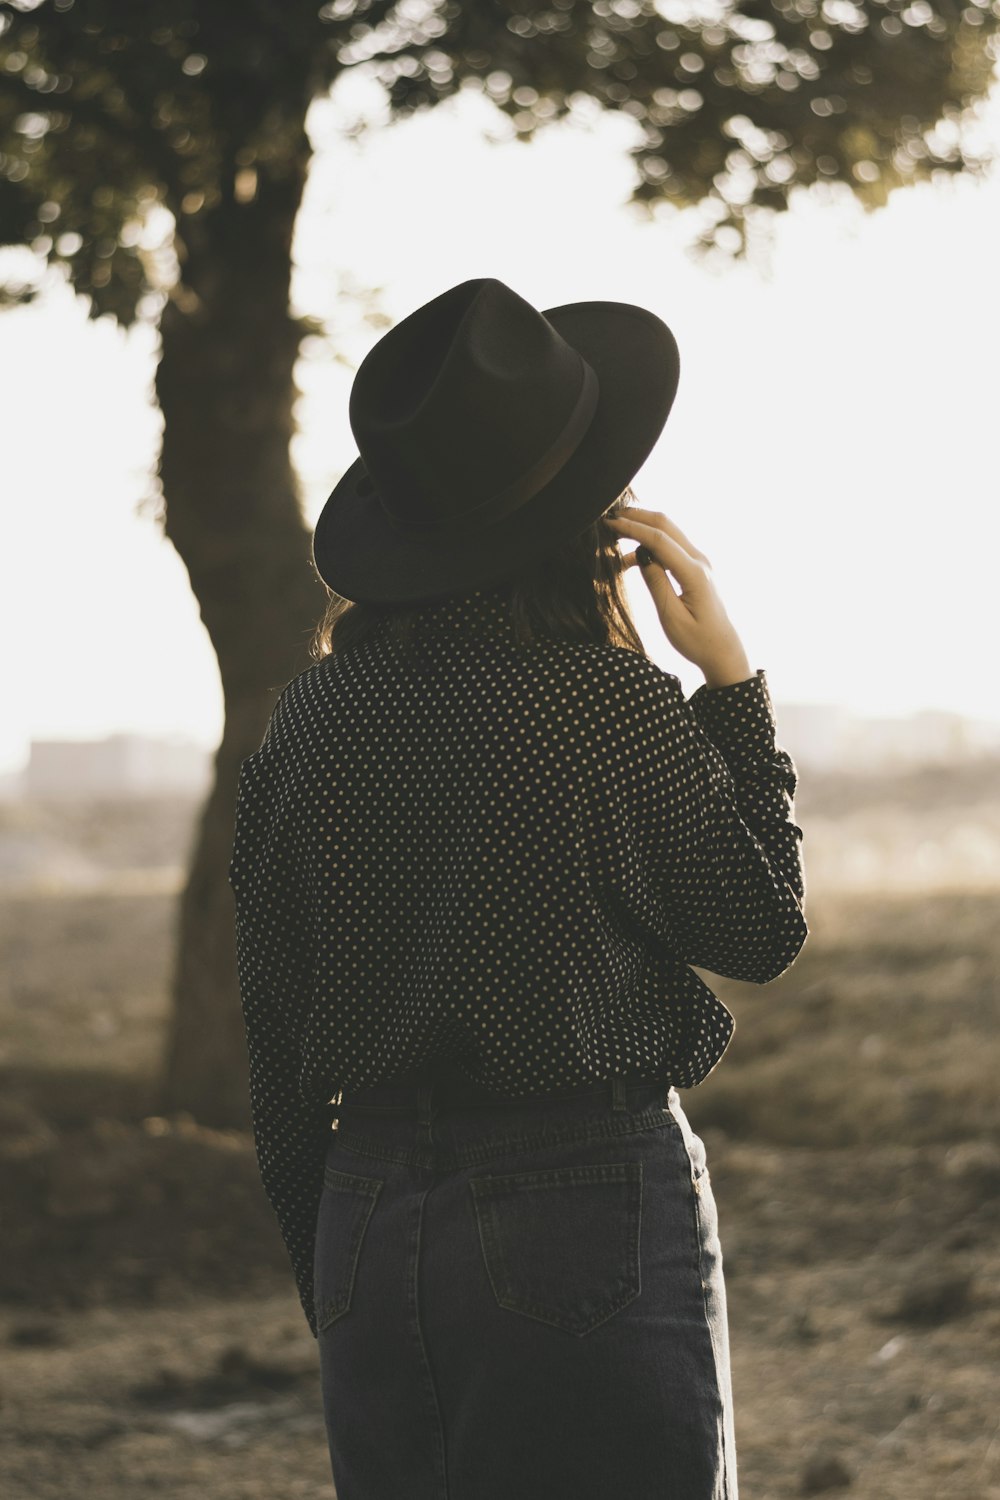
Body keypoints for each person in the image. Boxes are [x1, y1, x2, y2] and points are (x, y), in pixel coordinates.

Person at [228, 277, 808, 1500]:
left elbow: (274, 1037)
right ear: (590, 523)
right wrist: (731, 686)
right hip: (578, 1197)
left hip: (364, 1214)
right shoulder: (602, 708)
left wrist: (333, 1271)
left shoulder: (306, 725)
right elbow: (759, 931)